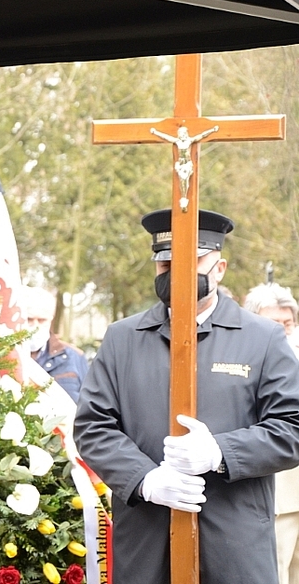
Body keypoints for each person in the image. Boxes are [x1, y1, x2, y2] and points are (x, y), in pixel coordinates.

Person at [73, 208, 299, 584]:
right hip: (146, 544)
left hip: (234, 546)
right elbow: (93, 427)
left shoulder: (262, 339)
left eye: (191, 261)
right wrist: (145, 479)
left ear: (220, 268)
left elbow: (291, 428)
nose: (175, 273)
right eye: (165, 264)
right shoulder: (123, 338)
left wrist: (221, 453)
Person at [243, 282, 299, 584]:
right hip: (276, 499)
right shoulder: (243, 362)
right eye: (273, 323)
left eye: (287, 324)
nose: (282, 331)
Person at [20, 285, 89, 401]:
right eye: (29, 319)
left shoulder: (74, 357)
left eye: (42, 320)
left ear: (51, 319)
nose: (35, 326)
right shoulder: (4, 357)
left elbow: (90, 405)